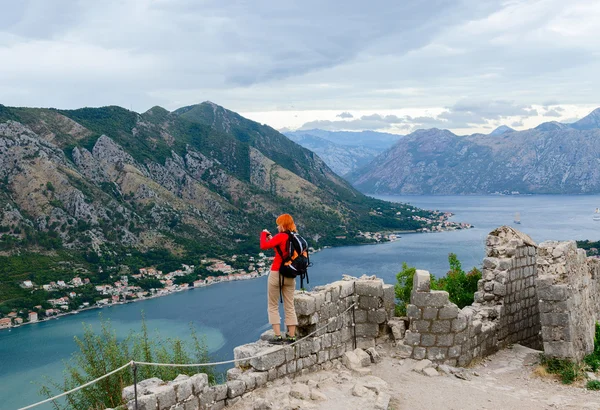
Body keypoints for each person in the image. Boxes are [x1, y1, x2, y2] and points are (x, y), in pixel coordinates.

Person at [260, 213, 298, 344]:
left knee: (273, 305)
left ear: (282, 225)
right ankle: (292, 336)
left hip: (277, 273)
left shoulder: (280, 236)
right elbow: (282, 250)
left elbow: (264, 246)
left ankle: (277, 336)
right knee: (290, 305)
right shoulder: (294, 237)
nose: (277, 227)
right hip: (290, 274)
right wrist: (272, 238)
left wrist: (263, 234)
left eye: (278, 224)